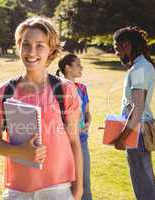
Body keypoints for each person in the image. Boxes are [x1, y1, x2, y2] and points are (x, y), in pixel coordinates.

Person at [0, 16, 83, 200]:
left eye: (40, 45)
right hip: (18, 190)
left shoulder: (65, 90)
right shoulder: (4, 92)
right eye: (26, 44)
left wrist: (78, 191)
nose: (31, 52)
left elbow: (74, 142)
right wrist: (20, 151)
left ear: (51, 50)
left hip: (58, 189)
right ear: (19, 46)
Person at [112, 26, 155, 200]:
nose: (116, 53)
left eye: (117, 48)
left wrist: (122, 138)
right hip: (136, 130)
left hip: (137, 133)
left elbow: (137, 109)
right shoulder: (140, 66)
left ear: (126, 45)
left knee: (144, 185)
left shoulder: (139, 69)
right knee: (145, 181)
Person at [56, 54, 92, 200]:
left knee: (84, 183)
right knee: (65, 185)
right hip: (62, 143)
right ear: (67, 68)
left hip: (82, 141)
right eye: (78, 64)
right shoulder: (57, 89)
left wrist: (88, 122)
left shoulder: (82, 88)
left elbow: (88, 112)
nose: (81, 67)